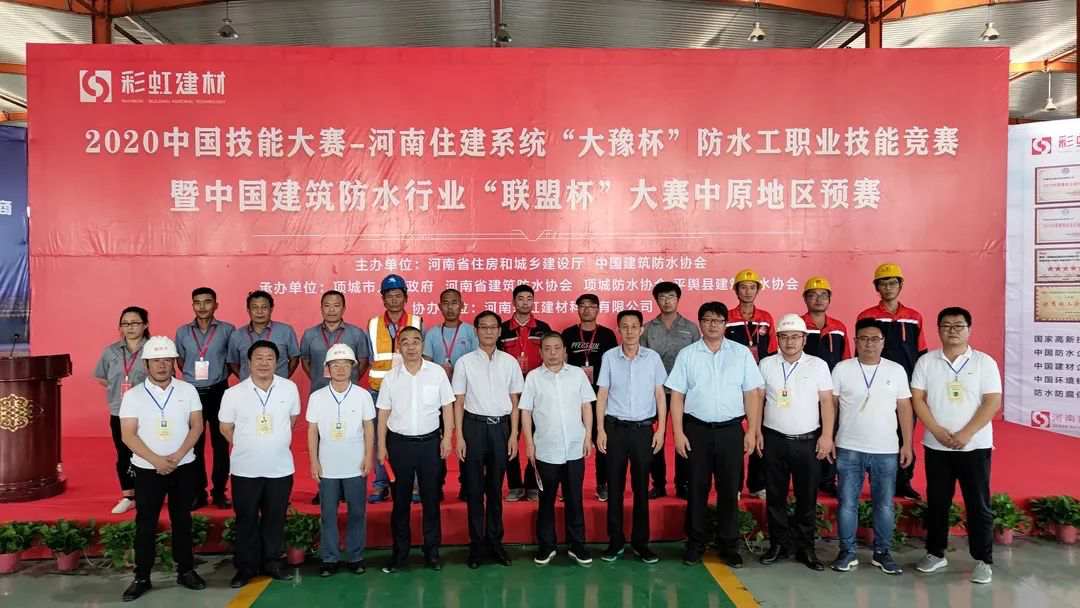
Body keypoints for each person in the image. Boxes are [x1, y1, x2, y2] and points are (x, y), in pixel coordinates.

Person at [668, 302, 763, 568]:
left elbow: (751, 394)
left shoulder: (741, 353)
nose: (713, 325)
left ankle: (728, 545)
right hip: (696, 430)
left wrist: (751, 430)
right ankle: (695, 544)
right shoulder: (687, 354)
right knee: (696, 489)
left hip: (731, 431)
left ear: (725, 324)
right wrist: (678, 433)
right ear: (700, 323)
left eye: (718, 320)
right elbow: (677, 396)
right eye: (707, 319)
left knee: (729, 490)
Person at [911, 307, 1002, 585]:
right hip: (937, 446)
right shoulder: (927, 361)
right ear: (938, 330)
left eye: (959, 326)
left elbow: (992, 402)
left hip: (974, 446)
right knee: (937, 502)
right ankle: (935, 553)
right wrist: (936, 430)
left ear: (969, 330)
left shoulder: (984, 362)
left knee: (978, 504)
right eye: (946, 325)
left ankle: (983, 560)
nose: (952, 330)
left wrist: (966, 433)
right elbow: (917, 399)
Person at [118, 336, 205, 601]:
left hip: (183, 466)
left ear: (174, 362)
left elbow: (197, 426)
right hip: (147, 469)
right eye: (156, 360)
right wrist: (156, 460)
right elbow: (128, 435)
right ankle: (142, 576)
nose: (162, 365)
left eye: (167, 359)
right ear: (146, 364)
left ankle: (186, 570)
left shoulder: (187, 390)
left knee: (182, 520)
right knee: (145, 523)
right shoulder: (133, 395)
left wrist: (178, 456)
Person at [830, 319, 913, 576]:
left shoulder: (896, 370)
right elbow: (831, 406)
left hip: (886, 449)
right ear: (855, 341)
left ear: (883, 342)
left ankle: (882, 552)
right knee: (847, 503)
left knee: (885, 505)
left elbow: (905, 408)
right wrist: (828, 437)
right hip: (848, 447)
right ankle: (847, 552)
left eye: (875, 339)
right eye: (864, 339)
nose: (869, 344)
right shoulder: (842, 369)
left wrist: (907, 443)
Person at [219, 340, 302, 588]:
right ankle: (245, 568)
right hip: (245, 469)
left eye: (269, 358)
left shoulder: (289, 388)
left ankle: (272, 563)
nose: (264, 363)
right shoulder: (233, 393)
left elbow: (292, 420)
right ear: (249, 362)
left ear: (277, 362)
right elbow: (225, 428)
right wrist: (249, 444)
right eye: (259, 358)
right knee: (245, 519)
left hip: (280, 468)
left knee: (275, 519)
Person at [756, 314, 834, 571]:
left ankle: (805, 548)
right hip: (773, 440)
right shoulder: (766, 364)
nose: (789, 342)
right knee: (775, 496)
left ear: (804, 339)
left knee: (806, 497)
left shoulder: (818, 365)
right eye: (784, 337)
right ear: (777, 338)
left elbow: (827, 402)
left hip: (807, 442)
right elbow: (758, 400)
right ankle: (778, 545)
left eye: (795, 337)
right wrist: (755, 432)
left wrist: (827, 436)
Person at [376, 327, 455, 573]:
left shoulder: (436, 373)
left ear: (423, 345)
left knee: (431, 500)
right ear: (398, 347)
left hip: (430, 444)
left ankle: (432, 552)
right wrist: (381, 445)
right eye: (405, 342)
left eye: (416, 341)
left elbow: (448, 407)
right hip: (399, 445)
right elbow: (383, 413)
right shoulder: (391, 377)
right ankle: (400, 554)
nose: (411, 347)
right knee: (400, 502)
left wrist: (447, 438)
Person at [453, 310, 524, 569]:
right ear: (476, 331)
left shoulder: (510, 362)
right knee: (474, 490)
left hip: (500, 429)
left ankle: (495, 542)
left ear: (499, 331)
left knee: (495, 489)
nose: (489, 332)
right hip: (473, 428)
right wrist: (459, 436)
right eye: (483, 327)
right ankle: (476, 545)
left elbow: (515, 402)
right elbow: (458, 402)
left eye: (493, 327)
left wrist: (514, 435)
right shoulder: (464, 362)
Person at [596, 309, 667, 564]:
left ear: (641, 329)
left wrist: (661, 429)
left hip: (643, 430)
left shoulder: (652, 358)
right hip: (615, 429)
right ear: (618, 330)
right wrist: (600, 429)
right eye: (624, 327)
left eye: (634, 326)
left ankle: (640, 543)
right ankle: (615, 542)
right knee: (614, 488)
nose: (629, 331)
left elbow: (660, 394)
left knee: (641, 488)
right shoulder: (609, 357)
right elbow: (602, 395)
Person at [521, 332, 596, 566]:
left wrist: (588, 437)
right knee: (546, 500)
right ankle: (547, 546)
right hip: (546, 449)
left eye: (557, 348)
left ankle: (577, 545)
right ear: (540, 352)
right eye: (547, 348)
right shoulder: (533, 378)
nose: (552, 353)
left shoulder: (577, 375)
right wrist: (529, 444)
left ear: (565, 351)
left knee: (574, 498)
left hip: (574, 447)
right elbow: (526, 412)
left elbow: (586, 406)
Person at [857, 263, 927, 500]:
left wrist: (920, 387)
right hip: (874, 386)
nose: (888, 287)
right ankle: (875, 480)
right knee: (874, 431)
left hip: (904, 386)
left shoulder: (914, 317)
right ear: (876, 287)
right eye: (883, 283)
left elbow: (921, 353)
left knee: (904, 433)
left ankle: (903, 481)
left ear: (901, 285)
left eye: (893, 283)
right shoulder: (866, 316)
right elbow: (860, 352)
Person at [306, 344, 375, 577]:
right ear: (327, 368)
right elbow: (312, 430)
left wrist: (368, 456)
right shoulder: (317, 397)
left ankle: (355, 557)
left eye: (346, 364)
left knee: (357, 512)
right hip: (327, 465)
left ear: (353, 367)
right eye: (335, 364)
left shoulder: (363, 395)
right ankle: (329, 557)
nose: (341, 369)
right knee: (328, 514)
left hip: (355, 463)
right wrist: (314, 461)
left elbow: (369, 427)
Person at [300, 290, 371, 505]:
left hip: (348, 396)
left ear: (344, 308)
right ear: (321, 307)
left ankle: (347, 487)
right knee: (322, 441)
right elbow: (305, 361)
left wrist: (350, 379)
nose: (332, 310)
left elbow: (363, 361)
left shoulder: (356, 333)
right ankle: (323, 487)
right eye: (327, 305)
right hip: (321, 394)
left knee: (350, 439)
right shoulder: (309, 334)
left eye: (336, 305)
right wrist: (319, 381)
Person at [175, 287, 236, 510]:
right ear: (192, 305)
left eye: (207, 302)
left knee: (221, 444)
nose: (202, 306)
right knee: (194, 445)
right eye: (197, 302)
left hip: (219, 391)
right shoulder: (182, 332)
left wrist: (216, 378)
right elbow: (181, 361)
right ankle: (197, 493)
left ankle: (219, 491)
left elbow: (232, 360)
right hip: (192, 393)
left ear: (216, 305)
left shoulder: (228, 330)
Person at [366, 273, 424, 504]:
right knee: (378, 439)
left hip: (409, 390)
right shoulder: (373, 324)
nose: (393, 300)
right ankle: (381, 484)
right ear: (383, 299)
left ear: (406, 297)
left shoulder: (417, 322)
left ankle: (414, 484)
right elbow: (369, 357)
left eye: (398, 295)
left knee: (412, 436)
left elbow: (421, 355)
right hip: (378, 391)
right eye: (389, 296)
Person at [641, 281, 700, 500]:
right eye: (662, 297)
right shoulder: (647, 328)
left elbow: (698, 360)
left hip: (683, 394)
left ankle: (683, 484)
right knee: (654, 439)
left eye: (671, 297)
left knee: (684, 437)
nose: (667, 301)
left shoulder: (691, 328)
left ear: (678, 299)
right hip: (655, 393)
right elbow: (642, 361)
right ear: (656, 300)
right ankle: (658, 484)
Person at [725, 269, 777, 500]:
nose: (748, 291)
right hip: (733, 383)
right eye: (743, 287)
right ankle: (734, 485)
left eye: (752, 287)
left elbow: (772, 351)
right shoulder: (727, 317)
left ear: (758, 290)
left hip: (760, 383)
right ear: (736, 290)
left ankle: (757, 483)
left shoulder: (766, 317)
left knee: (759, 432)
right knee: (734, 434)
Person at [560, 294, 618, 501]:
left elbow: (614, 365)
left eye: (591, 306)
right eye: (582, 306)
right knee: (571, 440)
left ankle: (602, 484)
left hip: (600, 396)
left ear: (598, 309)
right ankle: (568, 485)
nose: (586, 310)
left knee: (602, 441)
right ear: (577, 309)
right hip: (572, 396)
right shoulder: (568, 334)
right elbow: (561, 362)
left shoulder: (607, 335)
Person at [423, 288, 479, 500]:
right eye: (445, 303)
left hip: (467, 396)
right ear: (439, 307)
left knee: (468, 442)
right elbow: (426, 365)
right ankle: (437, 486)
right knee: (437, 443)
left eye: (454, 302)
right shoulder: (432, 333)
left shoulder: (471, 331)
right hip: (438, 399)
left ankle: (468, 486)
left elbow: (477, 362)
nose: (450, 307)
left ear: (462, 305)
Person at [93, 306, 149, 515]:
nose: (130, 327)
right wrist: (117, 388)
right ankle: (128, 496)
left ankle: (148, 493)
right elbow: (102, 377)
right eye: (125, 324)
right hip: (120, 410)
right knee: (124, 453)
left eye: (135, 323)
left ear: (145, 325)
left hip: (148, 411)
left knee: (147, 451)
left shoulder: (153, 349)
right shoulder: (110, 351)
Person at [499, 284, 551, 502]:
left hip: (536, 392)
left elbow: (549, 358)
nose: (525, 303)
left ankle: (531, 484)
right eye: (520, 298)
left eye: (529, 298)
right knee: (509, 438)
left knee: (536, 437)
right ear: (513, 302)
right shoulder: (502, 329)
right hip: (508, 393)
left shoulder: (543, 328)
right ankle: (515, 485)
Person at [800, 276, 850, 496]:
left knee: (831, 431)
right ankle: (808, 477)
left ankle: (828, 479)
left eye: (823, 295)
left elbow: (846, 359)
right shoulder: (798, 325)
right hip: (804, 390)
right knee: (808, 433)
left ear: (830, 299)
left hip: (832, 391)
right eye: (813, 295)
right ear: (805, 299)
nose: (818, 299)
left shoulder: (838, 327)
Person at [227, 290, 301, 381]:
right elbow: (233, 363)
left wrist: (282, 380)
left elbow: (294, 359)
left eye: (264, 307)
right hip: (248, 387)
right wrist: (246, 381)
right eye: (255, 307)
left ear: (271, 309)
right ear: (248, 310)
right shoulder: (236, 335)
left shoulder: (286, 331)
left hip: (279, 386)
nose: (260, 311)